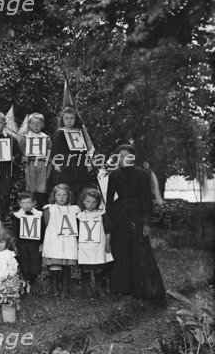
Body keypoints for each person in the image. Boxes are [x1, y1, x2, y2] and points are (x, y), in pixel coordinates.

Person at [107, 144, 165, 300]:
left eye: (127, 156)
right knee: (121, 250)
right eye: (120, 156)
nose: (123, 159)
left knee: (139, 250)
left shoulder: (142, 174)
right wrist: (108, 220)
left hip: (137, 214)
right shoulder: (114, 175)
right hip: (119, 215)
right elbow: (109, 200)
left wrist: (146, 222)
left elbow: (147, 200)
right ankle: (123, 288)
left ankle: (144, 289)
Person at [42, 184, 79, 297]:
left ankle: (65, 289)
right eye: (58, 195)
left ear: (68, 196)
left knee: (66, 265)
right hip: (54, 239)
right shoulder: (49, 208)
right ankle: (54, 288)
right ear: (54, 196)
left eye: (64, 195)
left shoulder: (74, 209)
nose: (61, 197)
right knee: (55, 263)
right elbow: (46, 225)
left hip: (68, 240)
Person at [49, 106, 94, 199]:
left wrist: (89, 163)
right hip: (67, 165)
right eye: (66, 118)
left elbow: (86, 150)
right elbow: (55, 150)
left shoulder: (80, 132)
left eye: (72, 118)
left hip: (80, 165)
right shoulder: (60, 132)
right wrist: (57, 164)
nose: (69, 121)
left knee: (83, 190)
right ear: (62, 119)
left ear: (75, 119)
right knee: (70, 190)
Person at [77, 187, 113, 297]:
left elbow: (108, 231)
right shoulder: (79, 215)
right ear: (83, 201)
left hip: (98, 244)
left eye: (94, 202)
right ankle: (86, 285)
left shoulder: (102, 215)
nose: (91, 204)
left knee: (98, 266)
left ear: (97, 203)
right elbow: (76, 232)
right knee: (86, 266)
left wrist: (107, 244)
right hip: (84, 245)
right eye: (88, 201)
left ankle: (98, 285)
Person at [0, 112, 21, 221]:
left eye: (0, 123)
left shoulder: (11, 139)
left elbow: (18, 153)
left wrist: (14, 158)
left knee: (6, 192)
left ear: (4, 124)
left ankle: (6, 213)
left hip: (6, 170)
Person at [12, 191, 43, 293]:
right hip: (22, 244)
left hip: (35, 244)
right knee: (24, 263)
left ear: (33, 203)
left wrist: (42, 243)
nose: (26, 205)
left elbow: (42, 230)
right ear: (20, 204)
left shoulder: (38, 215)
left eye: (29, 202)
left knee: (35, 263)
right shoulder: (17, 216)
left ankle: (33, 281)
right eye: (24, 203)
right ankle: (26, 282)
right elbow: (14, 231)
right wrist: (15, 245)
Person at [20, 113, 51, 209]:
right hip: (31, 163)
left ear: (42, 124)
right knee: (31, 185)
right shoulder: (26, 137)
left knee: (42, 186)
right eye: (33, 123)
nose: (36, 126)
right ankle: (30, 206)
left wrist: (49, 163)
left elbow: (50, 151)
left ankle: (40, 206)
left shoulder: (46, 137)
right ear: (29, 125)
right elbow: (22, 149)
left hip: (42, 162)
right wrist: (24, 157)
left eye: (39, 123)